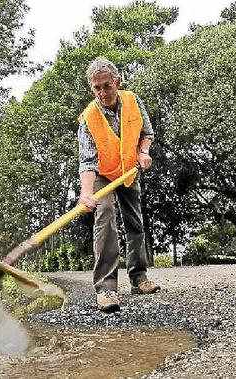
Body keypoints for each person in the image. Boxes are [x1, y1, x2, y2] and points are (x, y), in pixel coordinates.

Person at [77, 56, 160, 313]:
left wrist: (143, 152)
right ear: (91, 88)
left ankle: (139, 279)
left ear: (118, 81)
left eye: (106, 86)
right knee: (106, 217)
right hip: (103, 174)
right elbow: (87, 161)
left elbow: (146, 133)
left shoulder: (133, 101)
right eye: (96, 88)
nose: (102, 92)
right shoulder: (89, 117)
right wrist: (86, 193)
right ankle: (106, 289)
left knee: (135, 223)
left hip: (128, 170)